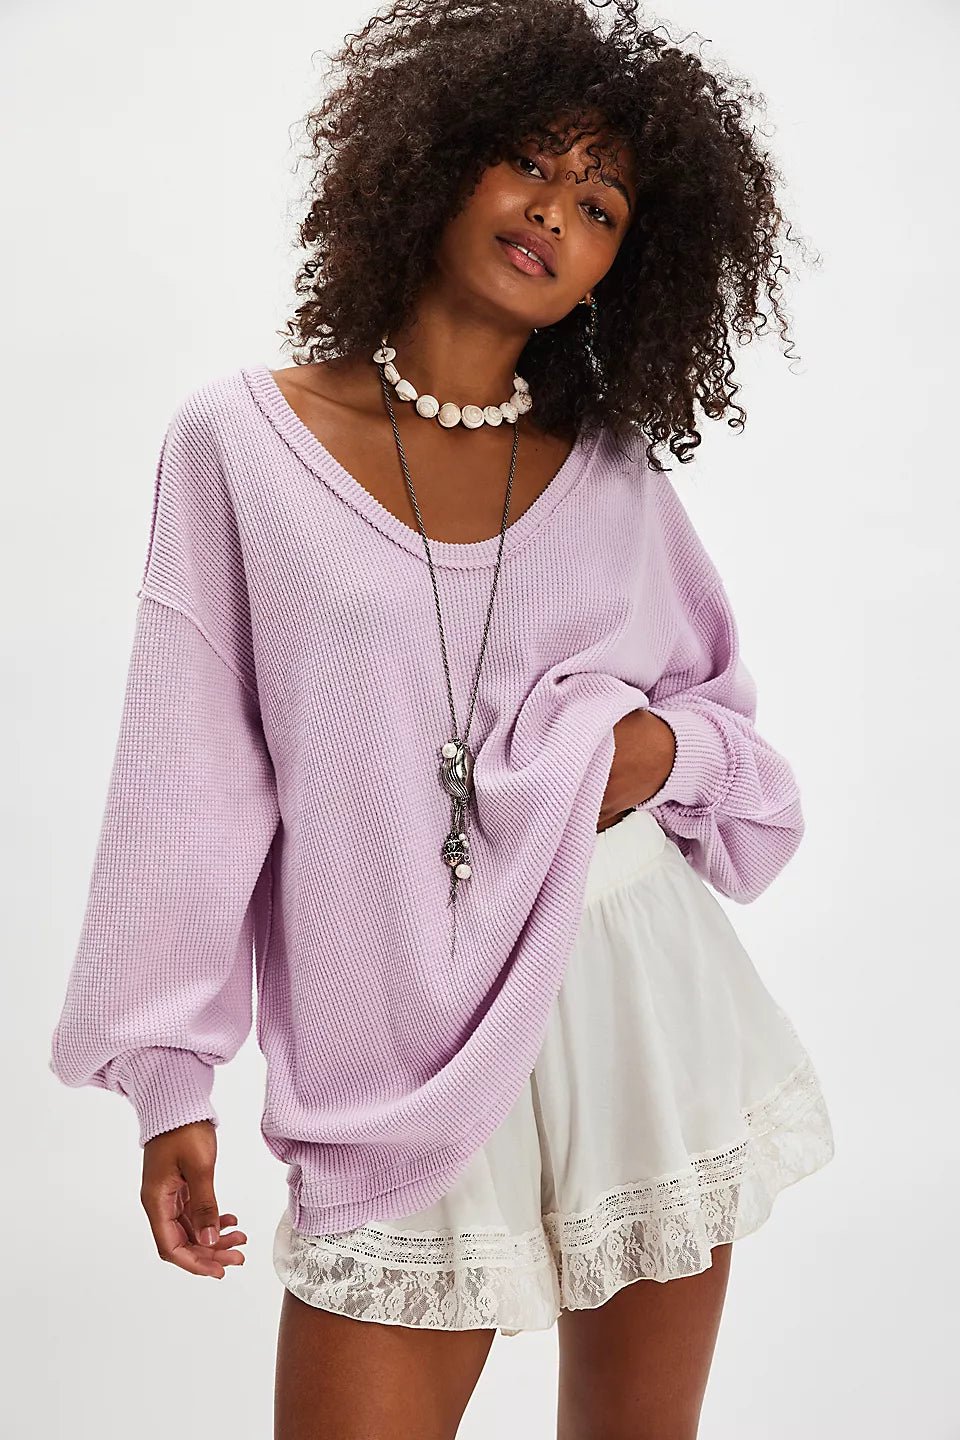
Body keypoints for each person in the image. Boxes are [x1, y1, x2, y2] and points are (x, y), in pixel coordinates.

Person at [49, 2, 835, 1436]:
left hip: (626, 985)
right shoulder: (240, 445)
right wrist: (169, 1080)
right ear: (438, 158)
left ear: (617, 273)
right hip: (386, 1050)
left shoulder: (610, 476)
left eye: (600, 206)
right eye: (531, 162)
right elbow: (189, 777)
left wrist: (651, 753)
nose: (554, 212)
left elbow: (734, 750)